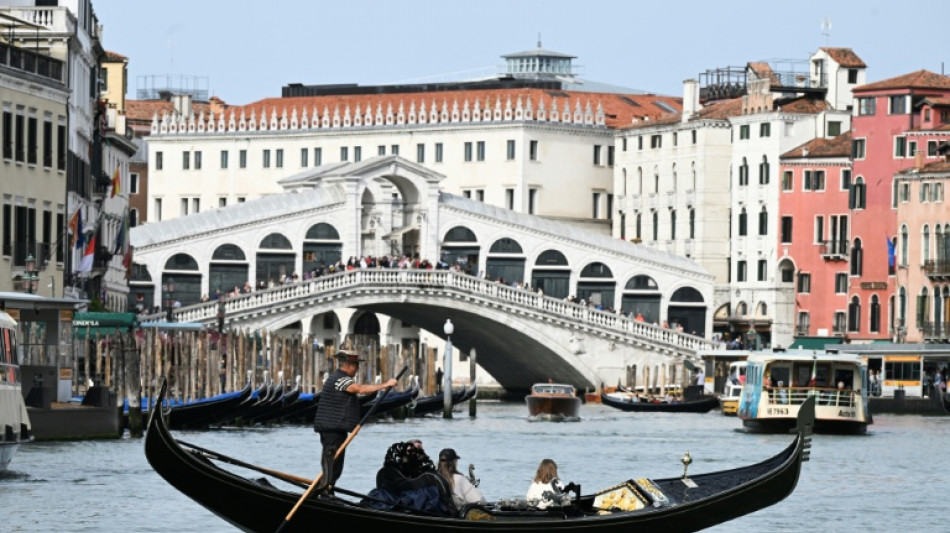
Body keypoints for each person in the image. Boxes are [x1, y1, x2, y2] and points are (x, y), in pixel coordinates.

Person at [312, 350, 398, 492]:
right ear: (348, 365)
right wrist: (385, 385)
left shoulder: (339, 378)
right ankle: (325, 490)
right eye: (356, 365)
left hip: (336, 429)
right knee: (332, 461)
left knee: (335, 463)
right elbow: (359, 389)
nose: (357, 369)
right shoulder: (339, 379)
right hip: (332, 430)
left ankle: (328, 488)